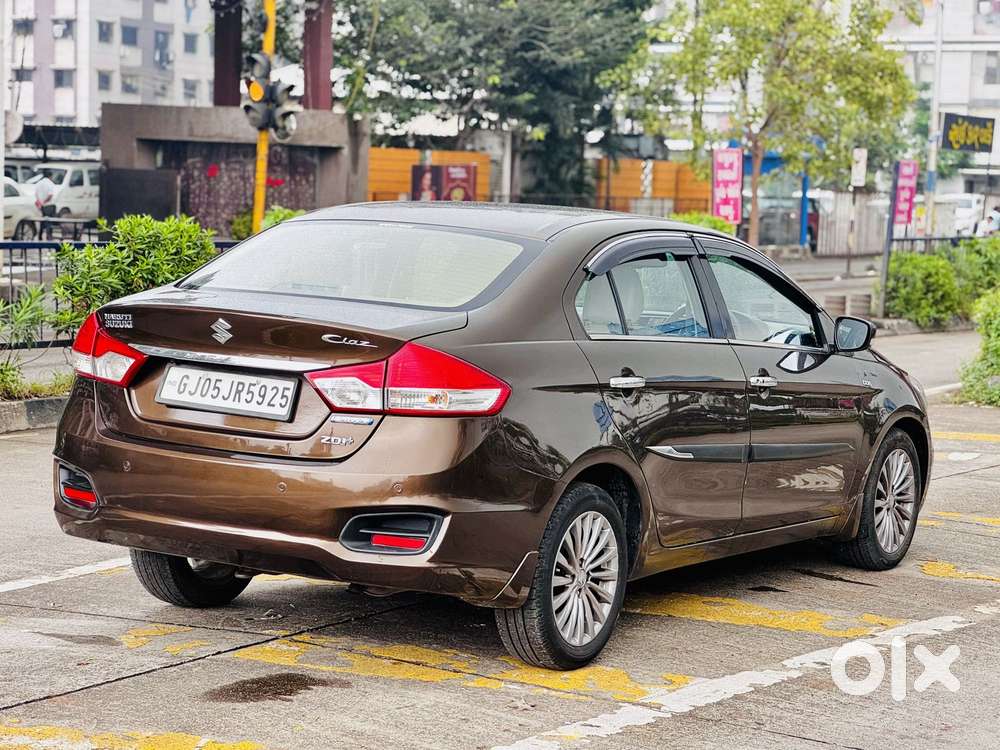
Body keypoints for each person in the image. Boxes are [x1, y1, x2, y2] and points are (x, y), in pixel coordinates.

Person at [34, 170, 57, 239]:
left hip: (41, 206)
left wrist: (40, 202)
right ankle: (49, 237)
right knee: (49, 221)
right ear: (50, 176)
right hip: (49, 205)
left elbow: (36, 194)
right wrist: (44, 201)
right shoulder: (50, 183)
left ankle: (40, 236)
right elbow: (50, 195)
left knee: (42, 221)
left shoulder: (38, 183)